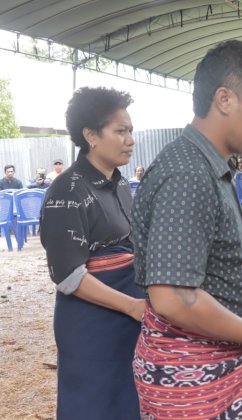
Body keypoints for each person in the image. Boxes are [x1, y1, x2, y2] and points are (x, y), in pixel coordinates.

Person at [130, 40, 242, 419]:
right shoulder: (188, 173)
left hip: (220, 366)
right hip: (197, 378)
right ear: (224, 99)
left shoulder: (207, 165)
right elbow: (174, 297)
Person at [39, 87, 145, 419]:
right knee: (92, 405)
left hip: (127, 322)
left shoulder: (122, 185)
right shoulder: (67, 190)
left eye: (131, 131)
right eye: (121, 131)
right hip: (91, 326)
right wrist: (132, 306)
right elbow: (68, 275)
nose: (130, 140)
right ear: (91, 135)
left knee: (127, 402)